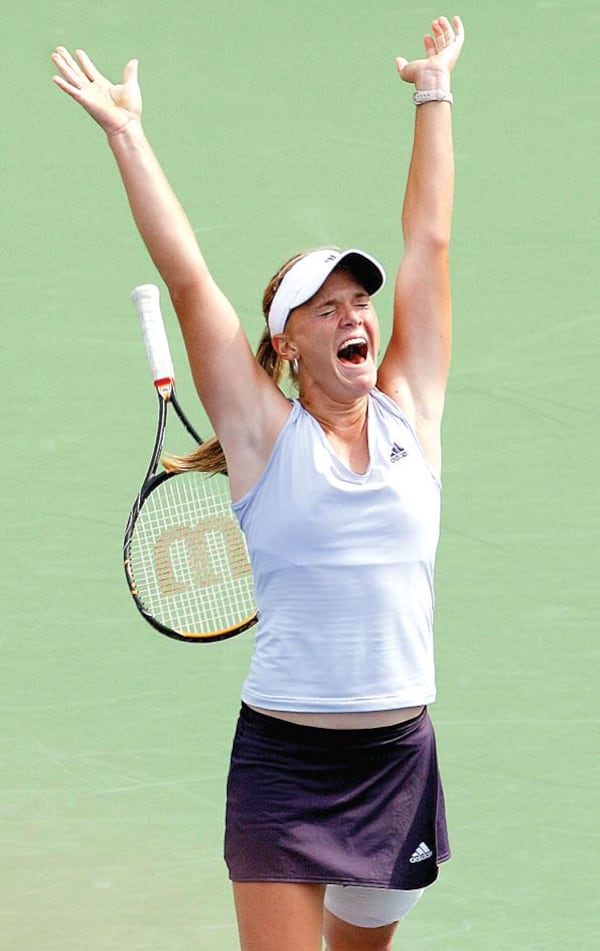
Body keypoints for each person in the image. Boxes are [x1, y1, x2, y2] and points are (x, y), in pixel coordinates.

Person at [52, 13, 465, 951]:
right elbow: (189, 276)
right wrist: (128, 135)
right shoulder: (261, 434)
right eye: (328, 308)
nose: (356, 314)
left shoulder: (410, 408)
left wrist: (434, 92)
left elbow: (429, 245)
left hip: (398, 759)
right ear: (286, 340)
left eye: (362, 301)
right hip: (288, 762)